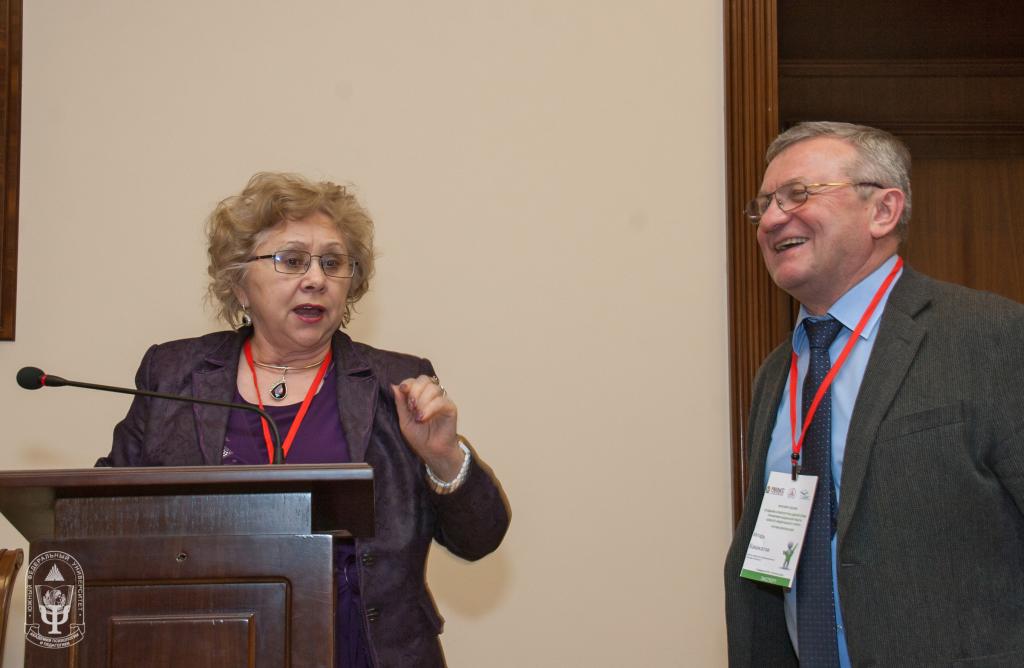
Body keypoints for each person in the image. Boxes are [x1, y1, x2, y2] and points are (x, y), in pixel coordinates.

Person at [97, 172, 510, 667]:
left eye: (332, 263)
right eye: (292, 260)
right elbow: (101, 519)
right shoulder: (173, 373)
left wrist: (443, 458)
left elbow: (479, 539)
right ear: (239, 284)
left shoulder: (394, 384)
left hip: (361, 649)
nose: (316, 279)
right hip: (206, 644)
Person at [724, 122, 1024, 666]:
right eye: (764, 205)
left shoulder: (993, 337)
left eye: (798, 194)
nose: (770, 220)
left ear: (883, 211)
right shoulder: (776, 373)